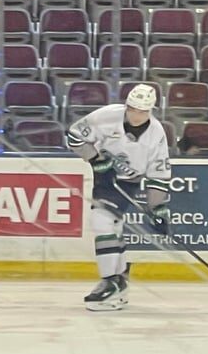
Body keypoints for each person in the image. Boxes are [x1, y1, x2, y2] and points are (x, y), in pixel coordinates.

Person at [66, 84, 171, 311]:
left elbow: (158, 174)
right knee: (107, 223)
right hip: (106, 175)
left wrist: (158, 209)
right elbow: (74, 136)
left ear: (151, 111)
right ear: (127, 105)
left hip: (130, 180)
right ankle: (116, 280)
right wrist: (94, 159)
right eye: (132, 109)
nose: (136, 115)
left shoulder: (157, 133)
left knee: (103, 221)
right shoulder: (107, 116)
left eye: (142, 111)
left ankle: (112, 281)